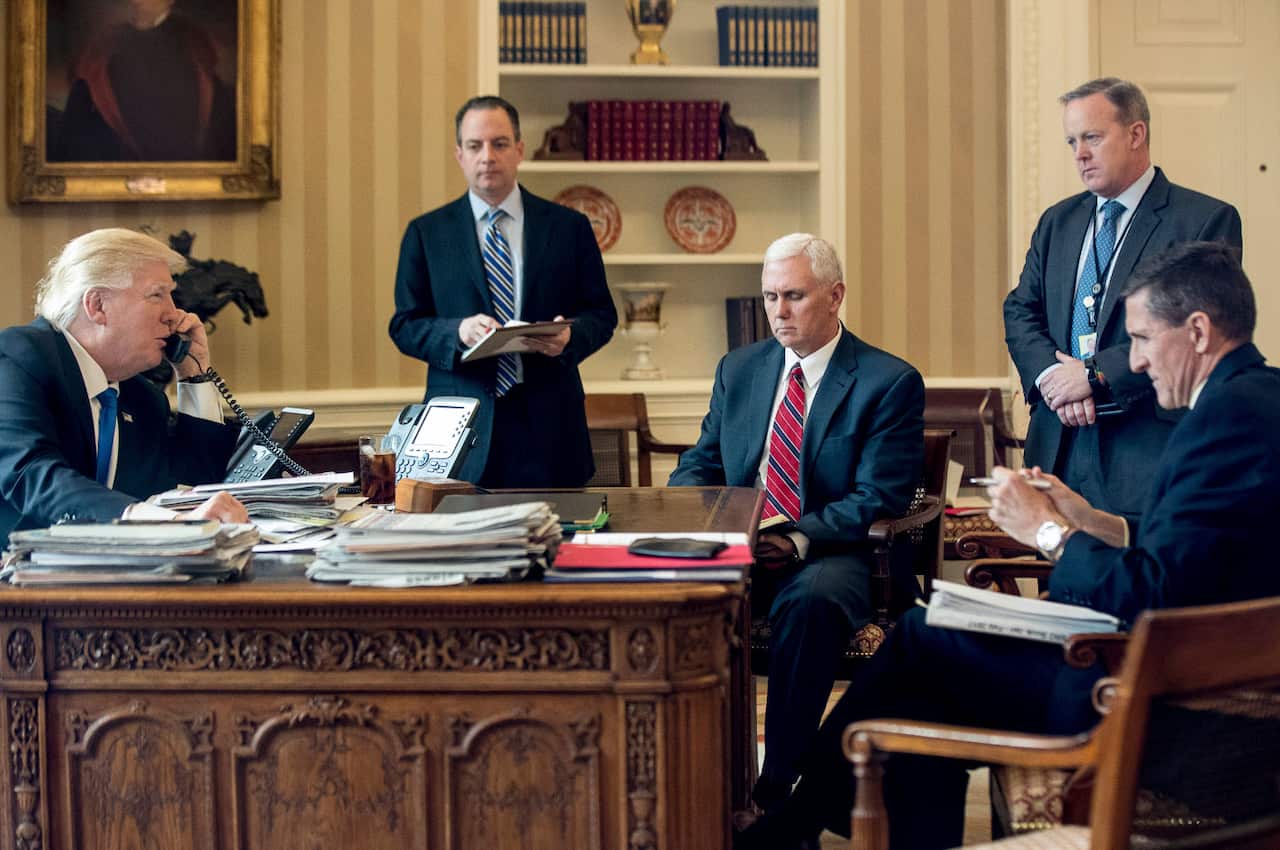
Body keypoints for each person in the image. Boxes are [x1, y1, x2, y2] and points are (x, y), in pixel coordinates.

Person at [736, 241, 1280, 849]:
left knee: (922, 651)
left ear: (1198, 332)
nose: (1136, 362)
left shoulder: (1224, 421)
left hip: (1178, 713)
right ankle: (802, 819)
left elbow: (1153, 592)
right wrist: (1094, 520)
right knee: (925, 645)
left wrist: (1048, 531)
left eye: (1142, 339)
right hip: (1173, 672)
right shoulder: (1256, 400)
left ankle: (793, 820)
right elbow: (1198, 554)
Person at [668, 233, 925, 813]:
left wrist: (796, 536)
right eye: (770, 297)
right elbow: (702, 462)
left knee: (809, 602)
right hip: (744, 546)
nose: (778, 312)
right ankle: (694, 778)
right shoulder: (739, 369)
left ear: (835, 296)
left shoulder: (888, 381)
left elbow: (878, 496)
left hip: (838, 553)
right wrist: (694, 509)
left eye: (794, 296)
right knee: (674, 596)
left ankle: (777, 788)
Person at [1004, 78, 1242, 521]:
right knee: (1055, 561)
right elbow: (1020, 309)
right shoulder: (1058, 221)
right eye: (1072, 141)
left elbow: (1193, 328)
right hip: (1057, 446)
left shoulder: (1203, 220)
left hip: (1143, 448)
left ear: (1136, 134)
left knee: (1134, 562)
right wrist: (1054, 376)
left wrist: (1093, 376)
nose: (1080, 154)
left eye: (1092, 137)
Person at [390, 95, 617, 488]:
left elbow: (602, 315)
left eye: (499, 144)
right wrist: (457, 332)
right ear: (460, 155)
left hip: (551, 430)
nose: (487, 157)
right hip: (459, 432)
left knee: (559, 529)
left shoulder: (568, 227)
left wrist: (569, 337)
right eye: (475, 146)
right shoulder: (426, 233)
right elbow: (404, 325)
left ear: (519, 150)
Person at [0, 228, 248, 547]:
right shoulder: (18, 357)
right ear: (97, 305)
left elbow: (195, 483)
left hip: (105, 568)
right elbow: (29, 473)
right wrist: (146, 520)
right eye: (157, 295)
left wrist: (194, 377)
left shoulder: (142, 396)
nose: (174, 314)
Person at [51, 0, 236, 162]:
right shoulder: (106, 45)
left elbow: (215, 119)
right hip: (119, 161)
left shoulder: (193, 43)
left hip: (182, 160)